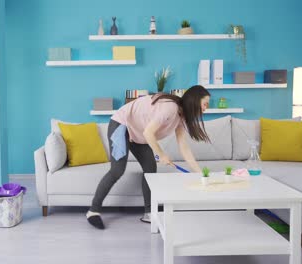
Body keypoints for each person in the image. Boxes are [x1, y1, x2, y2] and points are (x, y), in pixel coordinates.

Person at [86, 85, 211, 229]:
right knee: (117, 170)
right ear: (195, 101)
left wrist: (199, 174)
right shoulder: (170, 108)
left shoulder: (182, 118)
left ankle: (148, 213)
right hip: (122, 125)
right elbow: (148, 133)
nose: (205, 108)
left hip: (139, 133)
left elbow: (184, 148)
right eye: (205, 104)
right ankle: (93, 211)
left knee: (150, 168)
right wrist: (162, 154)